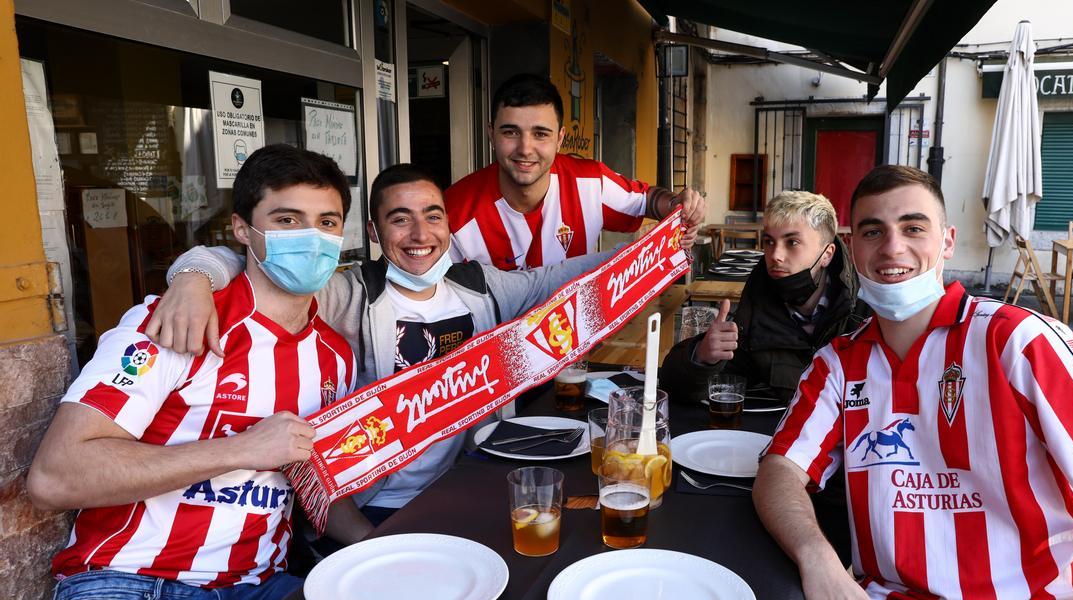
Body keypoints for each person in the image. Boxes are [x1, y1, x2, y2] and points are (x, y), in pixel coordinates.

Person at [753, 165, 1073, 600]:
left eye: (913, 228)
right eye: (873, 231)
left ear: (948, 241)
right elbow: (779, 472)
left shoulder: (1017, 341)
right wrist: (820, 562)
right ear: (852, 248)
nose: (892, 247)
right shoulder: (838, 363)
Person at [152, 163, 680, 524]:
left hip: (474, 485)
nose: (418, 232)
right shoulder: (345, 290)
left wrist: (661, 241)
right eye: (398, 218)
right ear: (374, 231)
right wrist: (192, 277)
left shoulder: (480, 285)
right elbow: (246, 265)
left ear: (449, 223)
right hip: (382, 503)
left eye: (432, 215)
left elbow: (565, 276)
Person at [26, 144, 366, 600]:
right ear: (241, 230)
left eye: (327, 222)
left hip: (265, 594)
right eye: (286, 219)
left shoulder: (334, 357)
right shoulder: (170, 324)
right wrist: (242, 449)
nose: (310, 238)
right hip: (132, 592)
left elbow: (313, 479)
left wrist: (376, 541)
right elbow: (54, 476)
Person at [445, 73, 704, 270]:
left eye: (540, 134)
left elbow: (646, 200)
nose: (525, 148)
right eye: (510, 132)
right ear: (491, 134)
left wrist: (677, 204)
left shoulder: (591, 182)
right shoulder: (454, 214)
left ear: (560, 138)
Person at [660, 190, 868, 402]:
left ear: (827, 254)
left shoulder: (866, 316)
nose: (775, 255)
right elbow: (679, 391)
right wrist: (702, 357)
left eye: (792, 242)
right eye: (769, 242)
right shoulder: (754, 313)